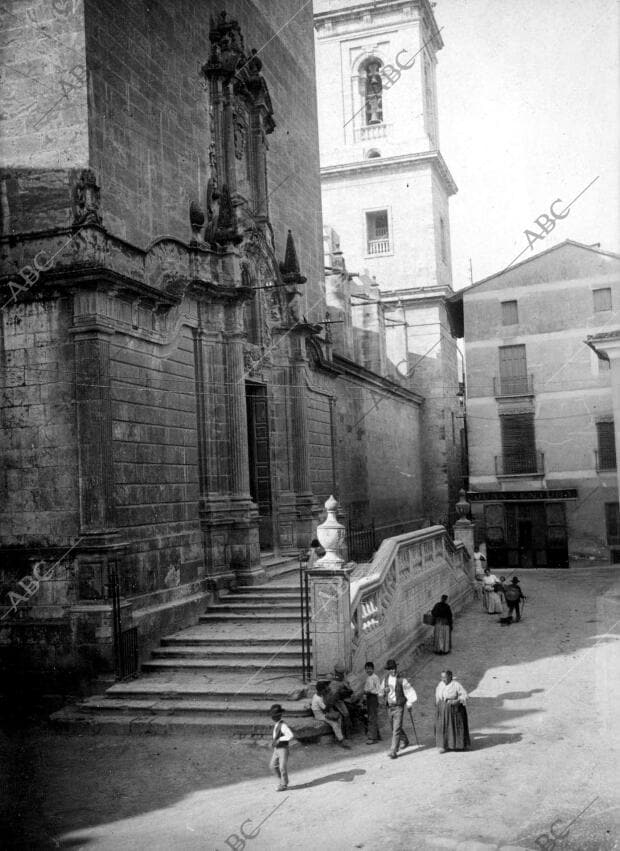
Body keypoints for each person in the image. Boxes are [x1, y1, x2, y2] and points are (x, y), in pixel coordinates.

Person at [380, 659, 417, 759]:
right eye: (391, 669)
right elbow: (380, 693)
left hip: (399, 706)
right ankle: (405, 740)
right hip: (389, 706)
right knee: (394, 727)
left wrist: (409, 703)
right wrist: (384, 691)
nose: (393, 671)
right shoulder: (385, 680)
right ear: (388, 670)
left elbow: (410, 692)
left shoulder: (402, 680)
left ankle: (393, 751)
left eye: (394, 668)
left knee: (396, 729)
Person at [434, 669, 470, 753]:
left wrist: (457, 700)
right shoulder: (440, 684)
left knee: (453, 726)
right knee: (442, 726)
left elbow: (465, 695)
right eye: (442, 677)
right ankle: (443, 746)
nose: (443, 679)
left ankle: (459, 745)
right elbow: (437, 694)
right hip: (443, 708)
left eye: (445, 677)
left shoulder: (456, 685)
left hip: (454, 709)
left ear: (450, 677)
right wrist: (437, 705)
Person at [311, 681, 350, 748]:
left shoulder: (318, 695)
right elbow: (325, 708)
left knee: (339, 718)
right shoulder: (318, 699)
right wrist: (332, 701)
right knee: (334, 723)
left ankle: (338, 736)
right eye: (324, 689)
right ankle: (341, 740)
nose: (326, 690)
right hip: (319, 715)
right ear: (322, 690)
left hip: (322, 711)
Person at [327, 662, 360, 736]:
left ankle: (351, 730)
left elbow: (350, 689)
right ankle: (346, 733)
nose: (342, 674)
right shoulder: (334, 682)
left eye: (342, 673)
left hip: (344, 699)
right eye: (340, 673)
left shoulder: (343, 680)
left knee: (354, 709)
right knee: (346, 714)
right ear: (336, 672)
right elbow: (334, 696)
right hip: (337, 701)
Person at [269, 704, 294, 791]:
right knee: (272, 766)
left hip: (283, 749)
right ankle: (282, 780)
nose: (273, 718)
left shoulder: (283, 725)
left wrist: (280, 739)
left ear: (279, 716)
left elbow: (290, 735)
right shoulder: (277, 724)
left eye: (275, 716)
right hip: (276, 749)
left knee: (282, 767)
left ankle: (283, 784)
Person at [363, 661, 382, 744]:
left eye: (370, 669)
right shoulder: (368, 678)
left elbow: (378, 689)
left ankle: (373, 738)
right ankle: (377, 735)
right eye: (367, 669)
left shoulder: (375, 677)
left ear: (373, 669)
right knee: (371, 716)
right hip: (368, 698)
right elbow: (366, 688)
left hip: (373, 698)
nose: (368, 670)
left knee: (372, 718)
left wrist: (370, 692)